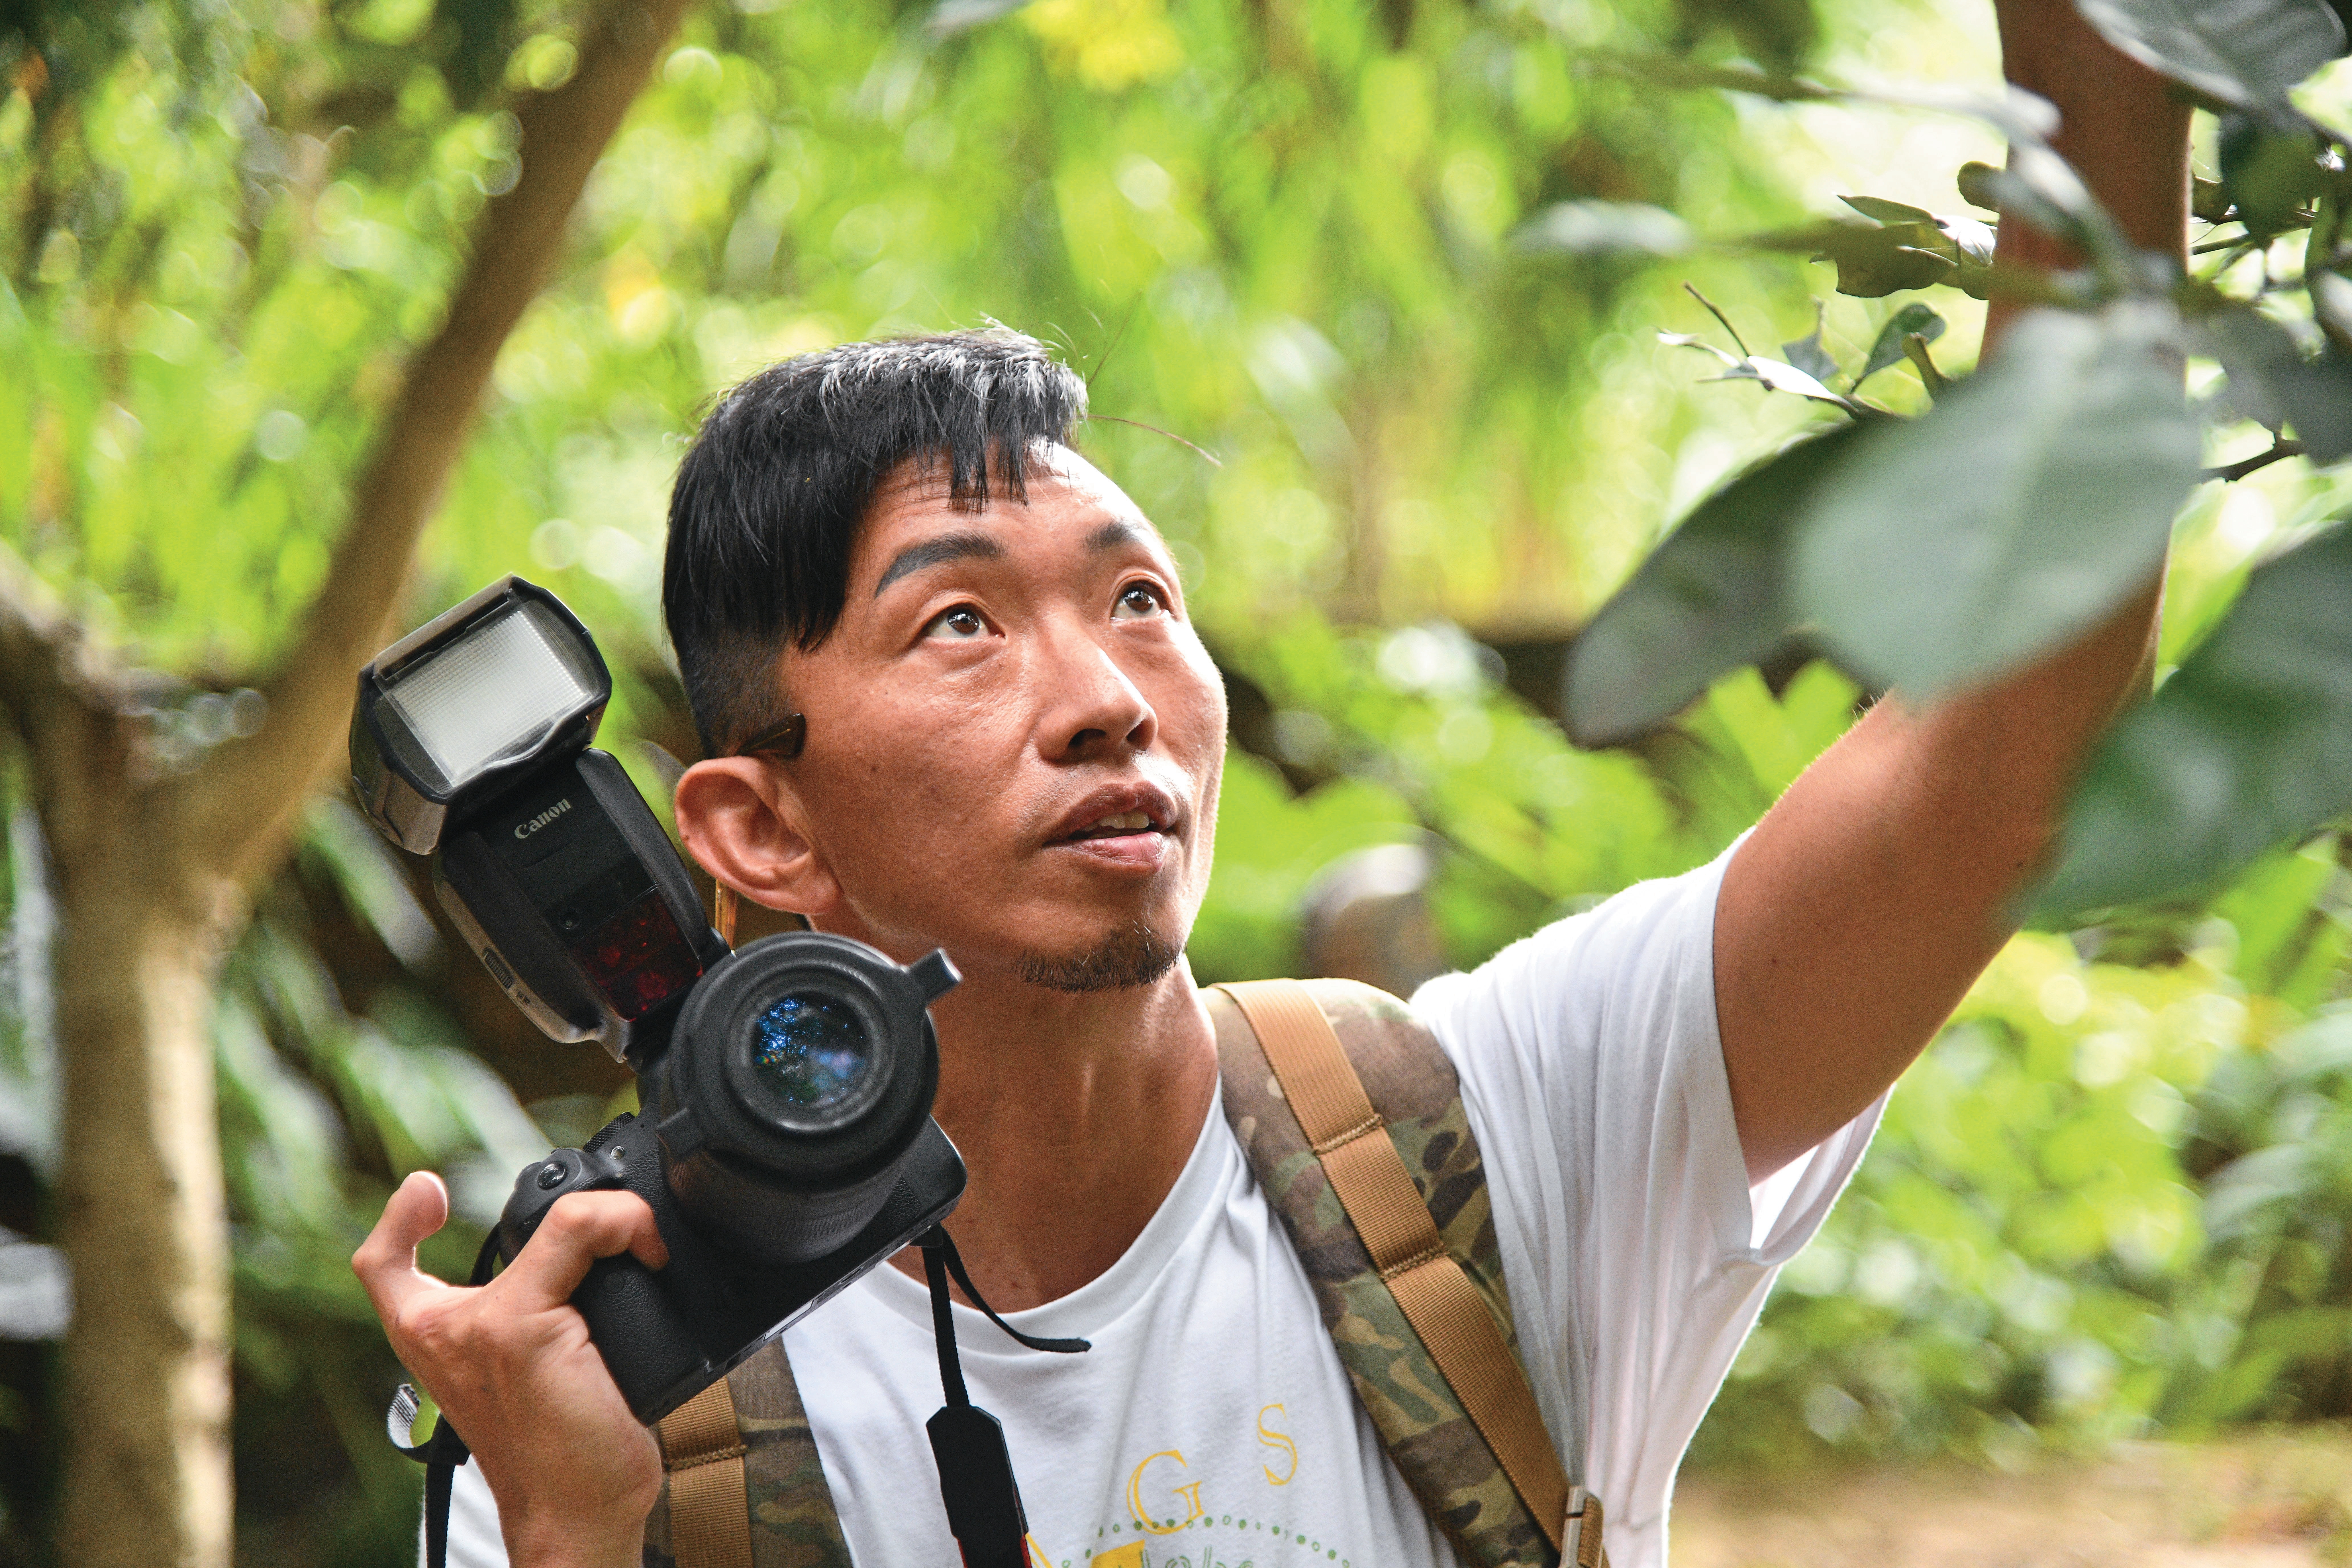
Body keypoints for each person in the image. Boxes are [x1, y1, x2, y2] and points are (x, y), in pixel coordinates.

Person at [351, 4, 2193, 1563]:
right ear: (762, 830)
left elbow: (2006, 740)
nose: (1105, 700)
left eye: (1141, 600)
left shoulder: (1492, 1138)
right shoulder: (609, 1397)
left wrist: (2112, 62)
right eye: (964, 628)